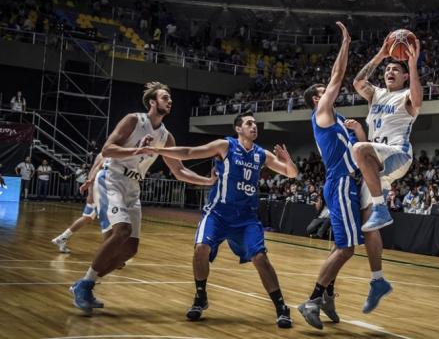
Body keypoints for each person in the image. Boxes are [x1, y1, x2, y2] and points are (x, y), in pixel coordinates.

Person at [137, 111, 297, 328]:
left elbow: (291, 174)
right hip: (218, 213)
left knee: (260, 258)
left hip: (246, 218)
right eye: (249, 123)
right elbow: (190, 152)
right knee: (201, 247)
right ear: (238, 129)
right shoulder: (225, 145)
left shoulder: (262, 154)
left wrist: (288, 162)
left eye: (255, 124)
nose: (254, 126)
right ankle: (200, 296)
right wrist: (156, 149)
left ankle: (281, 307)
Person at [70, 82, 216, 314]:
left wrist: (206, 181)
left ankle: (84, 283)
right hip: (112, 179)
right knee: (122, 232)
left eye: (170, 98)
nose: (170, 101)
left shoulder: (166, 137)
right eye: (165, 97)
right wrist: (136, 151)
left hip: (133, 186)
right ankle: (86, 285)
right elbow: (107, 150)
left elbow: (179, 171)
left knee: (129, 251)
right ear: (152, 102)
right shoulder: (133, 120)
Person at [298, 22, 364, 330]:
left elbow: (359, 152)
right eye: (324, 92)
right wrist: (346, 43)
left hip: (346, 184)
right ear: (316, 99)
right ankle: (313, 298)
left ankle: (328, 294)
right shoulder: (322, 113)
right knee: (346, 248)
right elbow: (337, 77)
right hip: (340, 184)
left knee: (343, 245)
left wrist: (358, 132)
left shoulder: (338, 122)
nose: (330, 91)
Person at [351, 32, 422, 312]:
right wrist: (382, 53)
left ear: (404, 77)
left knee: (358, 150)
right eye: (388, 69)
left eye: (396, 69)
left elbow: (418, 101)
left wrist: (413, 64)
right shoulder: (376, 94)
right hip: (377, 166)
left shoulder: (407, 94)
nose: (391, 71)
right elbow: (357, 81)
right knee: (369, 227)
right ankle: (377, 280)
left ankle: (381, 207)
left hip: (397, 156)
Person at [51, 155, 104, 254]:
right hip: (100, 193)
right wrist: (91, 193)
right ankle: (115, 251)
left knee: (86, 218)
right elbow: (94, 171)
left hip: (101, 192)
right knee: (114, 221)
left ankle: (62, 238)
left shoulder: (108, 153)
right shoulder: (107, 153)